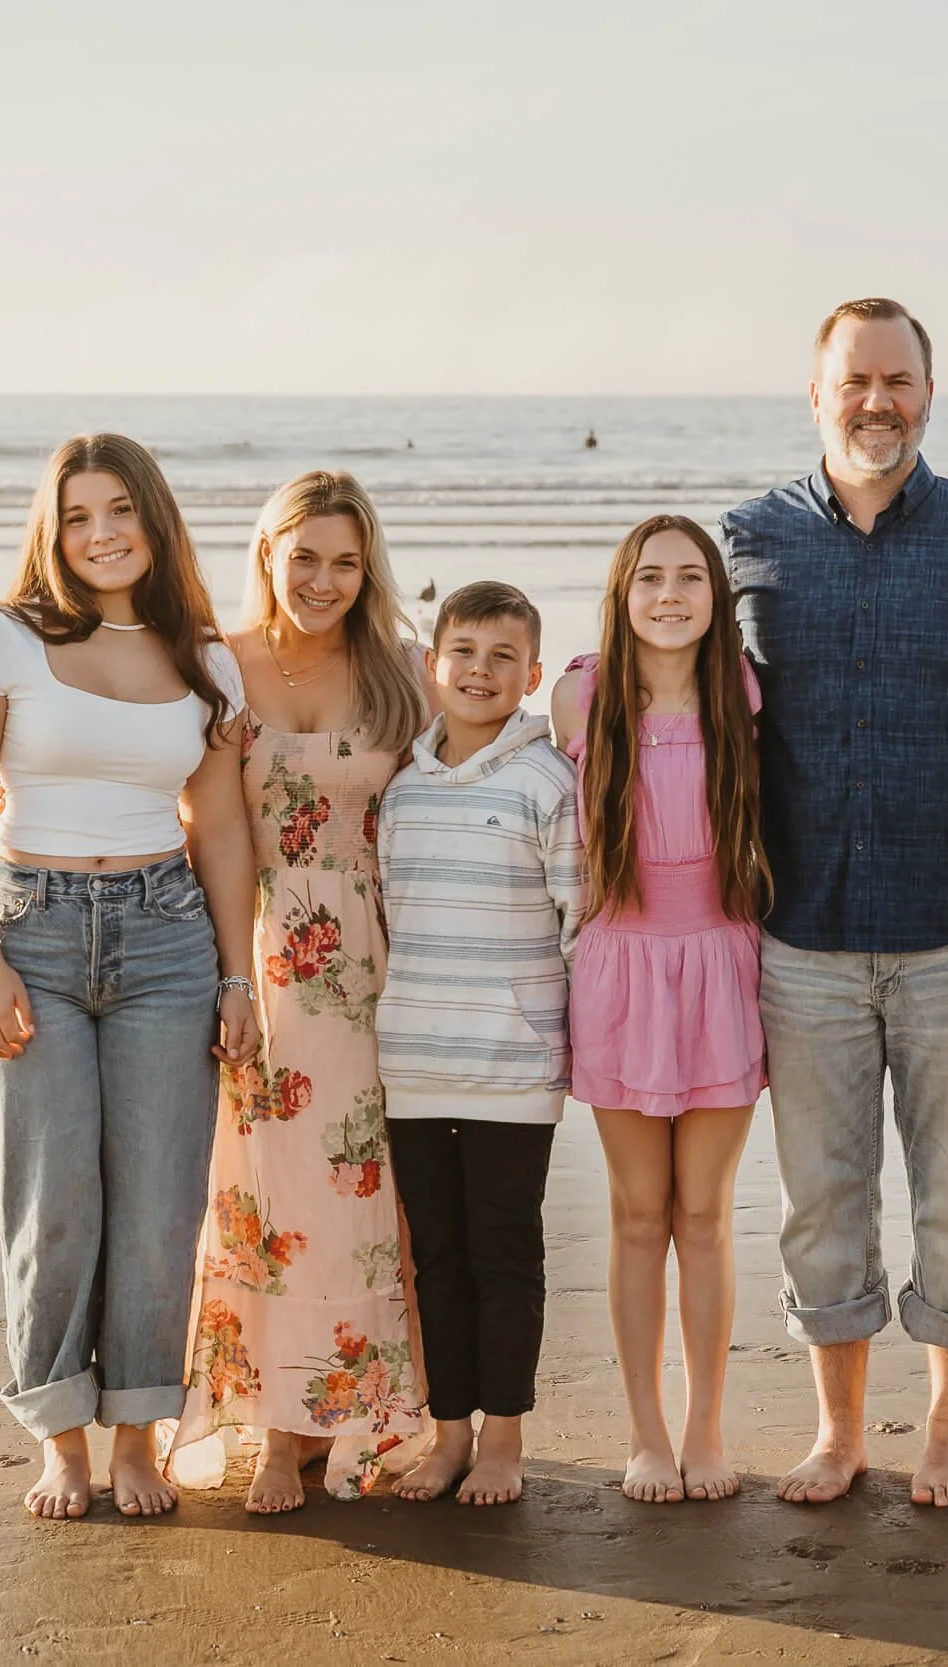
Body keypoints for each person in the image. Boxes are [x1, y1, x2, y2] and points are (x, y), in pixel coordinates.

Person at [719, 298, 948, 1507]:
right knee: (821, 1198)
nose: (876, 402)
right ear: (815, 395)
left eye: (897, 380)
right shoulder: (747, 538)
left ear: (928, 391)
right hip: (798, 929)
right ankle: (840, 1429)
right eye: (854, 381)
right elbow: (680, 702)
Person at [0, 433, 257, 1521]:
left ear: (154, 521)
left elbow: (222, 830)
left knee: (160, 1205)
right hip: (37, 938)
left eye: (120, 510)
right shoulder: (1, 641)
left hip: (167, 940)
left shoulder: (203, 656)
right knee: (52, 1199)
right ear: (52, 530)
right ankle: (61, 1439)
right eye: (78, 515)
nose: (102, 532)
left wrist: (239, 977)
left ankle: (136, 1437)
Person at [168, 470, 427, 1513]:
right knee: (273, 1190)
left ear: (369, 571)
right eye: (304, 554)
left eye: (346, 561)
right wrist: (236, 975)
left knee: (374, 1197)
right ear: (268, 551)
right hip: (266, 952)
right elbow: (206, 824)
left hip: (383, 962)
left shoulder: (401, 669)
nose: (323, 579)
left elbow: (479, 759)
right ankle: (279, 1429)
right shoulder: (216, 666)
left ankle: (353, 1415)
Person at [549, 515, 768, 1504]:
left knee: (705, 1215)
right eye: (650, 579)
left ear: (716, 596)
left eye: (690, 577)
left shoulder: (748, 694)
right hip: (619, 968)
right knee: (639, 1215)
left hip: (721, 964)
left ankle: (705, 1427)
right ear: (622, 592)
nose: (670, 595)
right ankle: (645, 1433)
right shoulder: (580, 695)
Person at [377, 581, 586, 1507]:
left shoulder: (548, 783)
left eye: (504, 657)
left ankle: (504, 1438)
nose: (481, 670)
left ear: (532, 675)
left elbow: (581, 920)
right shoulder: (403, 788)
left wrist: (569, 1044)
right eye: (463, 651)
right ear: (434, 666)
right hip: (415, 1063)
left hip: (513, 1064)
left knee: (505, 1251)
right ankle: (448, 1431)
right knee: (436, 1258)